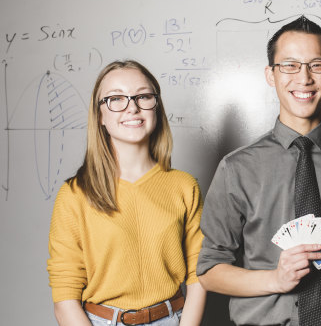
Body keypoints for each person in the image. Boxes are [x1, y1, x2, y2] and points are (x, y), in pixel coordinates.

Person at [197, 16, 321, 326]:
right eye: (289, 65)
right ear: (270, 75)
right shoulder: (237, 168)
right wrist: (276, 279)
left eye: (316, 65)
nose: (303, 78)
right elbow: (210, 272)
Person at [47, 60, 206, 326]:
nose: (132, 107)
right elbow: (65, 297)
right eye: (115, 98)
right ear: (99, 115)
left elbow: (199, 276)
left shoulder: (184, 186)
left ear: (156, 106)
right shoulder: (74, 194)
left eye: (143, 96)